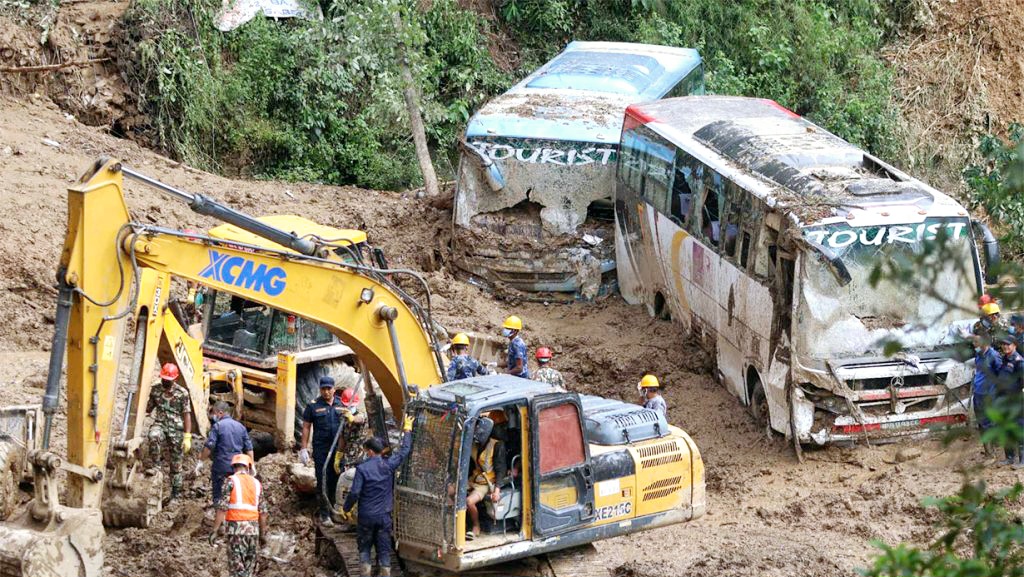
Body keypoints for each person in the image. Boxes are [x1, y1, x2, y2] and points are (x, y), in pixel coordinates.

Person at [341, 415, 415, 577]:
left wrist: (346, 509)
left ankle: (365, 572)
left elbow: (354, 493)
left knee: (365, 547)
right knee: (383, 549)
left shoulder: (362, 469)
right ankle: (385, 573)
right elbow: (404, 450)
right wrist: (407, 429)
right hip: (384, 516)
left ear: (369, 451)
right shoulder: (389, 465)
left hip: (366, 516)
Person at [209, 454, 268, 577]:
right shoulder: (257, 484)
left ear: (234, 467)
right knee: (249, 570)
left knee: (237, 571)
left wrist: (215, 530)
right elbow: (263, 512)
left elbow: (222, 508)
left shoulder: (231, 481)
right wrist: (263, 534)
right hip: (253, 532)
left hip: (236, 532)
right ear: (248, 467)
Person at [299, 375, 346, 525]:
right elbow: (306, 427)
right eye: (323, 389)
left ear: (334, 389)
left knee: (337, 479)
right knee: (323, 480)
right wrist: (304, 448)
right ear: (320, 389)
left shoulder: (342, 404)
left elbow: (354, 420)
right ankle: (325, 513)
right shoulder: (313, 406)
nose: (326, 392)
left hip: (338, 450)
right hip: (322, 449)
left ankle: (335, 510)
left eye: (329, 389)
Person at [147, 362, 192, 502]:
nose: (165, 381)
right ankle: (156, 466)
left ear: (175, 379)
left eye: (168, 380)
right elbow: (148, 408)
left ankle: (176, 494)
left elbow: (186, 414)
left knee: (176, 463)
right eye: (163, 379)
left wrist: (187, 436)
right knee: (153, 436)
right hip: (160, 423)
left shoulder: (182, 393)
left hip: (176, 429)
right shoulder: (156, 390)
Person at [198, 401, 255, 504]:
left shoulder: (218, 426)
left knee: (219, 496)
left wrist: (201, 461)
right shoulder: (241, 427)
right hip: (237, 467)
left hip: (221, 467)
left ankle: (220, 516)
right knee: (235, 493)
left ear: (220, 413)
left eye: (214, 413)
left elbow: (209, 446)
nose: (213, 416)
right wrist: (252, 465)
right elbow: (249, 448)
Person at [465, 416, 501, 541]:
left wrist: (497, 490)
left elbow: (501, 469)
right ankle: (461, 522)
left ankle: (476, 526)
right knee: (450, 491)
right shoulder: (474, 444)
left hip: (485, 483)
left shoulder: (496, 446)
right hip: (473, 478)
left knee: (469, 502)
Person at [993, 334, 1024, 466]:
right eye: (1003, 344)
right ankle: (1009, 457)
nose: (1005, 346)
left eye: (1008, 344)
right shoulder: (1005, 359)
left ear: (1014, 345)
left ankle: (1022, 460)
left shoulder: (1019, 362)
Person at [972, 331, 1001, 456]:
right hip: (978, 394)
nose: (974, 344)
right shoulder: (978, 355)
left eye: (976, 342)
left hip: (989, 395)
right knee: (981, 423)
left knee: (989, 423)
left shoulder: (994, 356)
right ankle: (988, 451)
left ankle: (992, 453)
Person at [334, 388, 368, 476]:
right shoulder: (343, 418)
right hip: (348, 456)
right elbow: (342, 437)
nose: (349, 408)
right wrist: (338, 456)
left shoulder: (361, 414)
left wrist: (352, 418)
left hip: (360, 455)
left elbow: (359, 419)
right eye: (347, 406)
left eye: (352, 406)